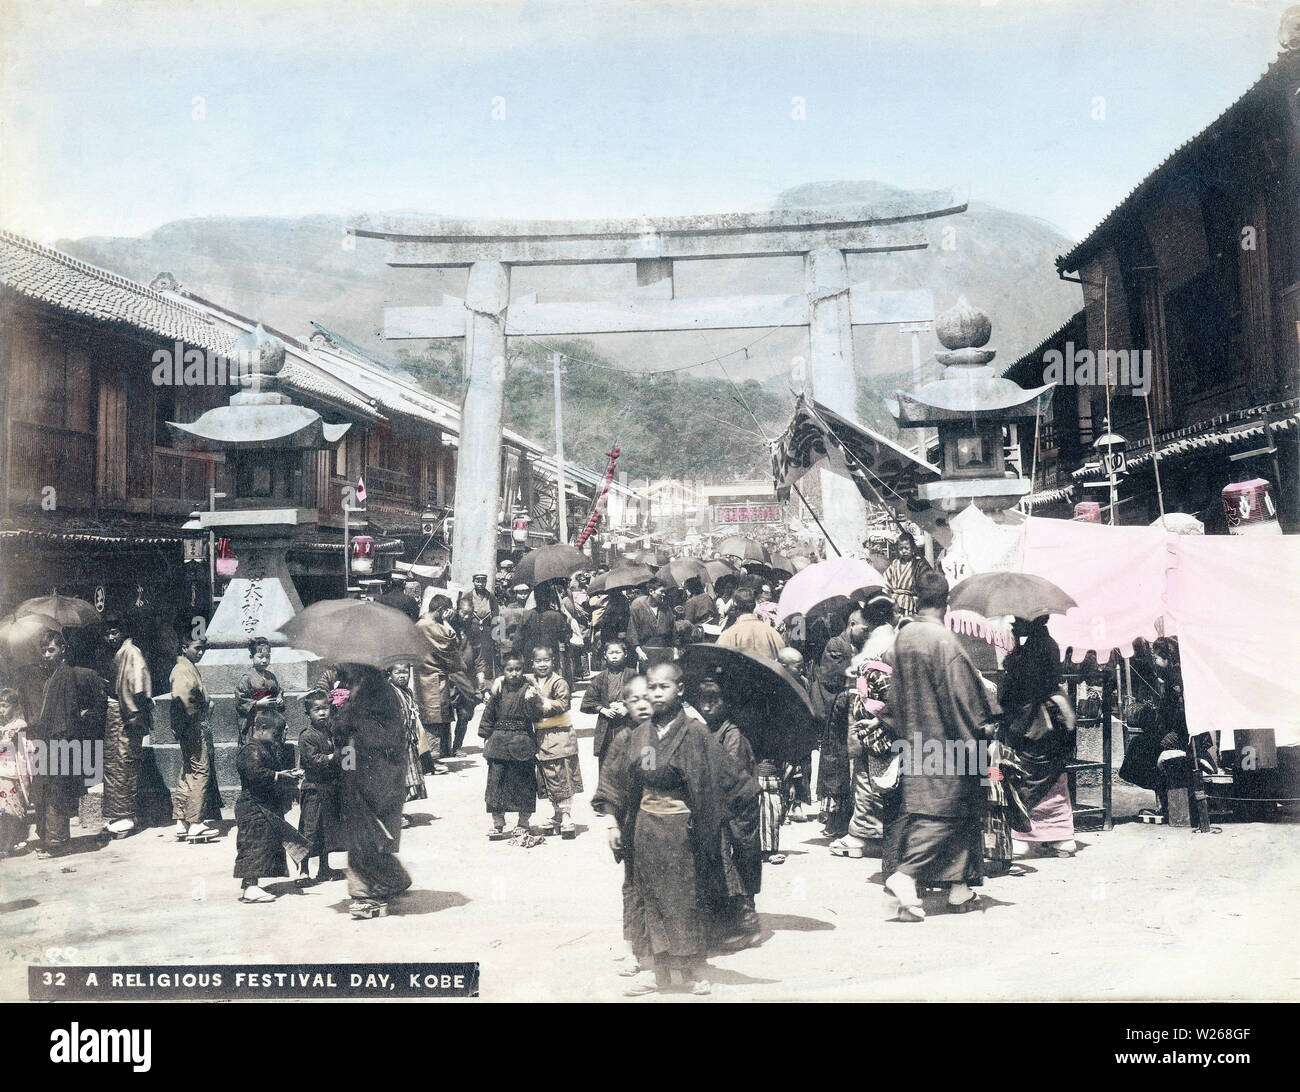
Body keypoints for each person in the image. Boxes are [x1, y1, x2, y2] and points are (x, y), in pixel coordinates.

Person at [592, 662, 750, 996]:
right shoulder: (639, 734)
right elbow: (617, 779)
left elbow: (729, 779)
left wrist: (722, 815)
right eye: (652, 687)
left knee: (684, 898)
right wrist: (611, 821)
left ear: (679, 690)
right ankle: (660, 972)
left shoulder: (694, 731)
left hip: (683, 829)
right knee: (650, 898)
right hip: (646, 827)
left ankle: (690, 970)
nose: (656, 693)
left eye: (664, 687)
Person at [881, 571, 999, 921]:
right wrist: (985, 728)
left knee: (958, 813)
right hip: (946, 744)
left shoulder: (903, 638)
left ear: (915, 599)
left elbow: (894, 695)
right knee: (944, 814)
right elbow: (962, 698)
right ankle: (906, 875)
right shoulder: (944, 642)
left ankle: (959, 889)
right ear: (947, 602)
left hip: (914, 739)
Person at [688, 677, 762, 952]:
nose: (707, 707)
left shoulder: (733, 735)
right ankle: (733, 915)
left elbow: (726, 770)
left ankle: (746, 913)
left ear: (725, 702)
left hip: (739, 806)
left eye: (714, 700)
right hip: (719, 804)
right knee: (720, 856)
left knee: (741, 854)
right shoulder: (707, 729)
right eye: (703, 701)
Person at [337, 662, 413, 919]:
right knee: (367, 832)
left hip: (375, 772)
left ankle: (365, 895)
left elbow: (372, 734)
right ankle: (392, 879)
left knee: (365, 831)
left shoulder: (376, 694)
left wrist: (346, 715)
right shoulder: (365, 690)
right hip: (367, 770)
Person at [999, 615, 1077, 858]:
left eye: (1018, 620)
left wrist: (1014, 658)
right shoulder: (1041, 643)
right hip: (1048, 717)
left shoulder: (1037, 647)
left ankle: (1024, 835)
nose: (1013, 624)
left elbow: (1024, 685)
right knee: (1051, 778)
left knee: (1027, 774)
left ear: (1030, 622)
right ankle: (1060, 837)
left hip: (1036, 720)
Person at [832, 591, 900, 858]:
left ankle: (863, 834)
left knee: (865, 776)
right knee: (876, 775)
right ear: (888, 615)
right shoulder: (888, 640)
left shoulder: (874, 642)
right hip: (879, 718)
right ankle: (867, 833)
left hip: (865, 716)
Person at [29, 630, 106, 858]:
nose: (46, 654)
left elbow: (68, 712)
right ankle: (51, 839)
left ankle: (58, 843)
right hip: (50, 742)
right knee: (47, 791)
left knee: (56, 793)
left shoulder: (65, 675)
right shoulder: (52, 675)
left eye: (51, 649)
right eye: (43, 650)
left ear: (62, 650)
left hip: (59, 742)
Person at [233, 709, 304, 904]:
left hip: (262, 805)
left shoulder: (262, 748)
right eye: (276, 734)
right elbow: (256, 774)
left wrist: (283, 773)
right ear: (262, 729)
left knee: (264, 845)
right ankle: (249, 887)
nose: (277, 738)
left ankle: (253, 885)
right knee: (253, 845)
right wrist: (279, 776)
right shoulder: (251, 750)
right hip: (252, 806)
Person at [810, 608, 870, 838]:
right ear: (852, 623)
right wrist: (858, 676)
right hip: (837, 715)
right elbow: (832, 676)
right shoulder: (836, 645)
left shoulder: (859, 646)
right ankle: (836, 819)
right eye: (864, 629)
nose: (867, 634)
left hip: (852, 712)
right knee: (837, 765)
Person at [168, 632, 222, 843]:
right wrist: (201, 712)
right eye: (196, 648)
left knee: (188, 771)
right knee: (201, 771)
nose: (200, 652)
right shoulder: (182, 670)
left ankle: (182, 820)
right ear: (183, 647)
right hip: (193, 726)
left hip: (188, 727)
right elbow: (184, 701)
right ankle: (196, 822)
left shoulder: (185, 667)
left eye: (203, 649)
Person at [102, 615, 153, 838]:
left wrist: (137, 709)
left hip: (127, 714)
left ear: (123, 631)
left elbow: (139, 687)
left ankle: (125, 817)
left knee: (123, 763)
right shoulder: (121, 652)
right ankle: (120, 815)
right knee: (116, 764)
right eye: (107, 634)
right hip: (118, 712)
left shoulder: (131, 651)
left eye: (115, 632)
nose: (111, 637)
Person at [478, 651, 538, 839]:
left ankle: (523, 822)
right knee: (496, 783)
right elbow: (489, 714)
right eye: (509, 670)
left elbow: (536, 715)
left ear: (524, 670)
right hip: (499, 742)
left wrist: (533, 699)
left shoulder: (529, 689)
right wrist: (485, 735)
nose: (514, 673)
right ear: (503, 671)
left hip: (523, 741)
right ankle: (497, 823)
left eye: (518, 669)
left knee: (524, 782)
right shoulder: (498, 690)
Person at [527, 646, 581, 838]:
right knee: (548, 776)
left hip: (560, 735)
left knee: (562, 774)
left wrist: (540, 700)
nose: (542, 665)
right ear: (532, 663)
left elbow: (563, 704)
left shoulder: (559, 682)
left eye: (546, 661)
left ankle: (566, 816)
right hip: (542, 736)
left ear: (553, 662)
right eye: (538, 661)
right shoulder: (530, 681)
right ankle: (557, 814)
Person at [296, 690, 346, 884]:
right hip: (313, 789)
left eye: (325, 708)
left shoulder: (330, 732)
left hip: (329, 788)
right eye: (317, 710)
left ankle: (324, 868)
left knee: (326, 829)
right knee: (309, 829)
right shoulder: (307, 736)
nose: (322, 713)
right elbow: (313, 759)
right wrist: (333, 757)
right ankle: (304, 870)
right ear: (308, 713)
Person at [413, 595, 463, 774]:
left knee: (431, 716)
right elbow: (450, 640)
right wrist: (447, 621)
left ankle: (433, 759)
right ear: (441, 610)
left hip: (424, 675)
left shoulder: (420, 624)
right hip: (432, 677)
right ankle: (432, 761)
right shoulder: (428, 625)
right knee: (433, 717)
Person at [581, 638, 638, 772]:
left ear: (625, 654)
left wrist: (628, 708)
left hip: (628, 723)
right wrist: (602, 709)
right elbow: (588, 702)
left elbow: (644, 697)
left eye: (618, 652)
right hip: (607, 725)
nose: (614, 656)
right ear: (605, 656)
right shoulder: (600, 678)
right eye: (611, 653)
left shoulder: (632, 674)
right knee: (607, 763)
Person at [387, 663, 428, 820]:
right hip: (395, 742)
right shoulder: (390, 692)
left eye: (405, 672)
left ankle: (397, 813)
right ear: (390, 674)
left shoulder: (408, 692)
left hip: (409, 741)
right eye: (398, 672)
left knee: (408, 781)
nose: (402, 676)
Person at [0, 688, 34, 856]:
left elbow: (16, 749)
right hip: (4, 772)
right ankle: (8, 843)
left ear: (14, 705)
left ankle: (12, 843)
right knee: (5, 810)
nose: (1, 710)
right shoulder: (5, 726)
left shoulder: (19, 725)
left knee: (14, 809)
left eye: (5, 706)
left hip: (14, 773)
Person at [716, 580, 786, 661]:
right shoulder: (773, 634)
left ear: (734, 605)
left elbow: (719, 661)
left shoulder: (728, 635)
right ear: (754, 605)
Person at [235, 636, 284, 747]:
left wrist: (279, 698)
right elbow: (240, 699)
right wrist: (257, 703)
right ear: (251, 657)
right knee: (254, 746)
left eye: (267, 657)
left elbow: (278, 691)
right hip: (253, 719)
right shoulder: (247, 678)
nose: (264, 660)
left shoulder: (271, 677)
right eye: (260, 657)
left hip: (270, 717)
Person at [626, 580, 675, 665]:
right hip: (646, 652)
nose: (664, 594)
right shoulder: (638, 607)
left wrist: (675, 651)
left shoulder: (666, 608)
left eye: (665, 592)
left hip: (664, 651)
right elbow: (632, 631)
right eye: (661, 591)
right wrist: (639, 652)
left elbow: (673, 631)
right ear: (651, 591)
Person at [883, 532, 932, 617]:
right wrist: (888, 594)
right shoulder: (895, 563)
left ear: (913, 548)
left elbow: (925, 584)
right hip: (893, 602)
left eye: (907, 548)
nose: (904, 551)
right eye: (901, 548)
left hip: (910, 604)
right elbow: (885, 581)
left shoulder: (919, 565)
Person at [468, 573, 499, 676]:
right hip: (472, 629)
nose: (480, 584)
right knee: (472, 653)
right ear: (473, 582)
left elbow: (496, 614)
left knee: (486, 654)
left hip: (487, 629)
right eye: (478, 581)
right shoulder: (468, 596)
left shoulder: (491, 597)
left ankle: (486, 678)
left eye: (483, 581)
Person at [496, 583, 534, 663]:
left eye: (525, 593)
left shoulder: (528, 608)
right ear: (515, 594)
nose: (524, 595)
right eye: (521, 593)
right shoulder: (510, 610)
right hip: (512, 642)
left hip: (519, 643)